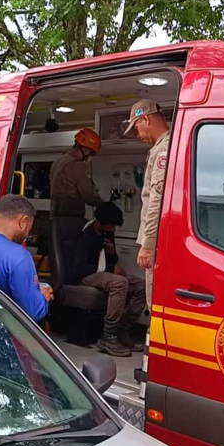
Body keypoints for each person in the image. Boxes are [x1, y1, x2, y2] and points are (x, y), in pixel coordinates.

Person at [71, 202, 146, 357]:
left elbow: (112, 259)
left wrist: (112, 253)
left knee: (141, 286)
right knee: (120, 282)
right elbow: (78, 268)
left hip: (104, 273)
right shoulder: (87, 236)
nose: (113, 230)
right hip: (86, 276)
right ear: (99, 223)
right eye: (110, 226)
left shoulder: (106, 233)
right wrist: (110, 269)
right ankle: (108, 335)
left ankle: (122, 329)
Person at [123, 99, 171, 307]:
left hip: (158, 243)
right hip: (163, 241)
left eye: (136, 129)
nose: (138, 136)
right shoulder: (167, 146)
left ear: (145, 118)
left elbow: (156, 199)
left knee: (155, 302)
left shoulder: (163, 150)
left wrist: (148, 244)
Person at [49, 127, 105, 218]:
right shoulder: (77, 165)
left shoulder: (58, 162)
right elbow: (88, 195)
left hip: (54, 218)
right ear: (86, 150)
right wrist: (103, 204)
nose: (89, 157)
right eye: (91, 154)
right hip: (71, 220)